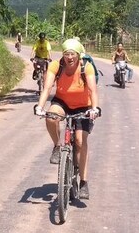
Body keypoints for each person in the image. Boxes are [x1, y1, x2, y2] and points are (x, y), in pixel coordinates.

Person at [33, 38, 101, 199]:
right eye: (66, 54)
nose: (69, 57)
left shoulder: (87, 67)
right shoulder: (56, 65)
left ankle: (83, 182)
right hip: (62, 101)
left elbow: (92, 90)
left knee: (80, 141)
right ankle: (57, 146)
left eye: (73, 54)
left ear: (78, 55)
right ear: (62, 55)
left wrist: (95, 108)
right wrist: (39, 107)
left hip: (84, 106)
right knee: (50, 117)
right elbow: (47, 87)